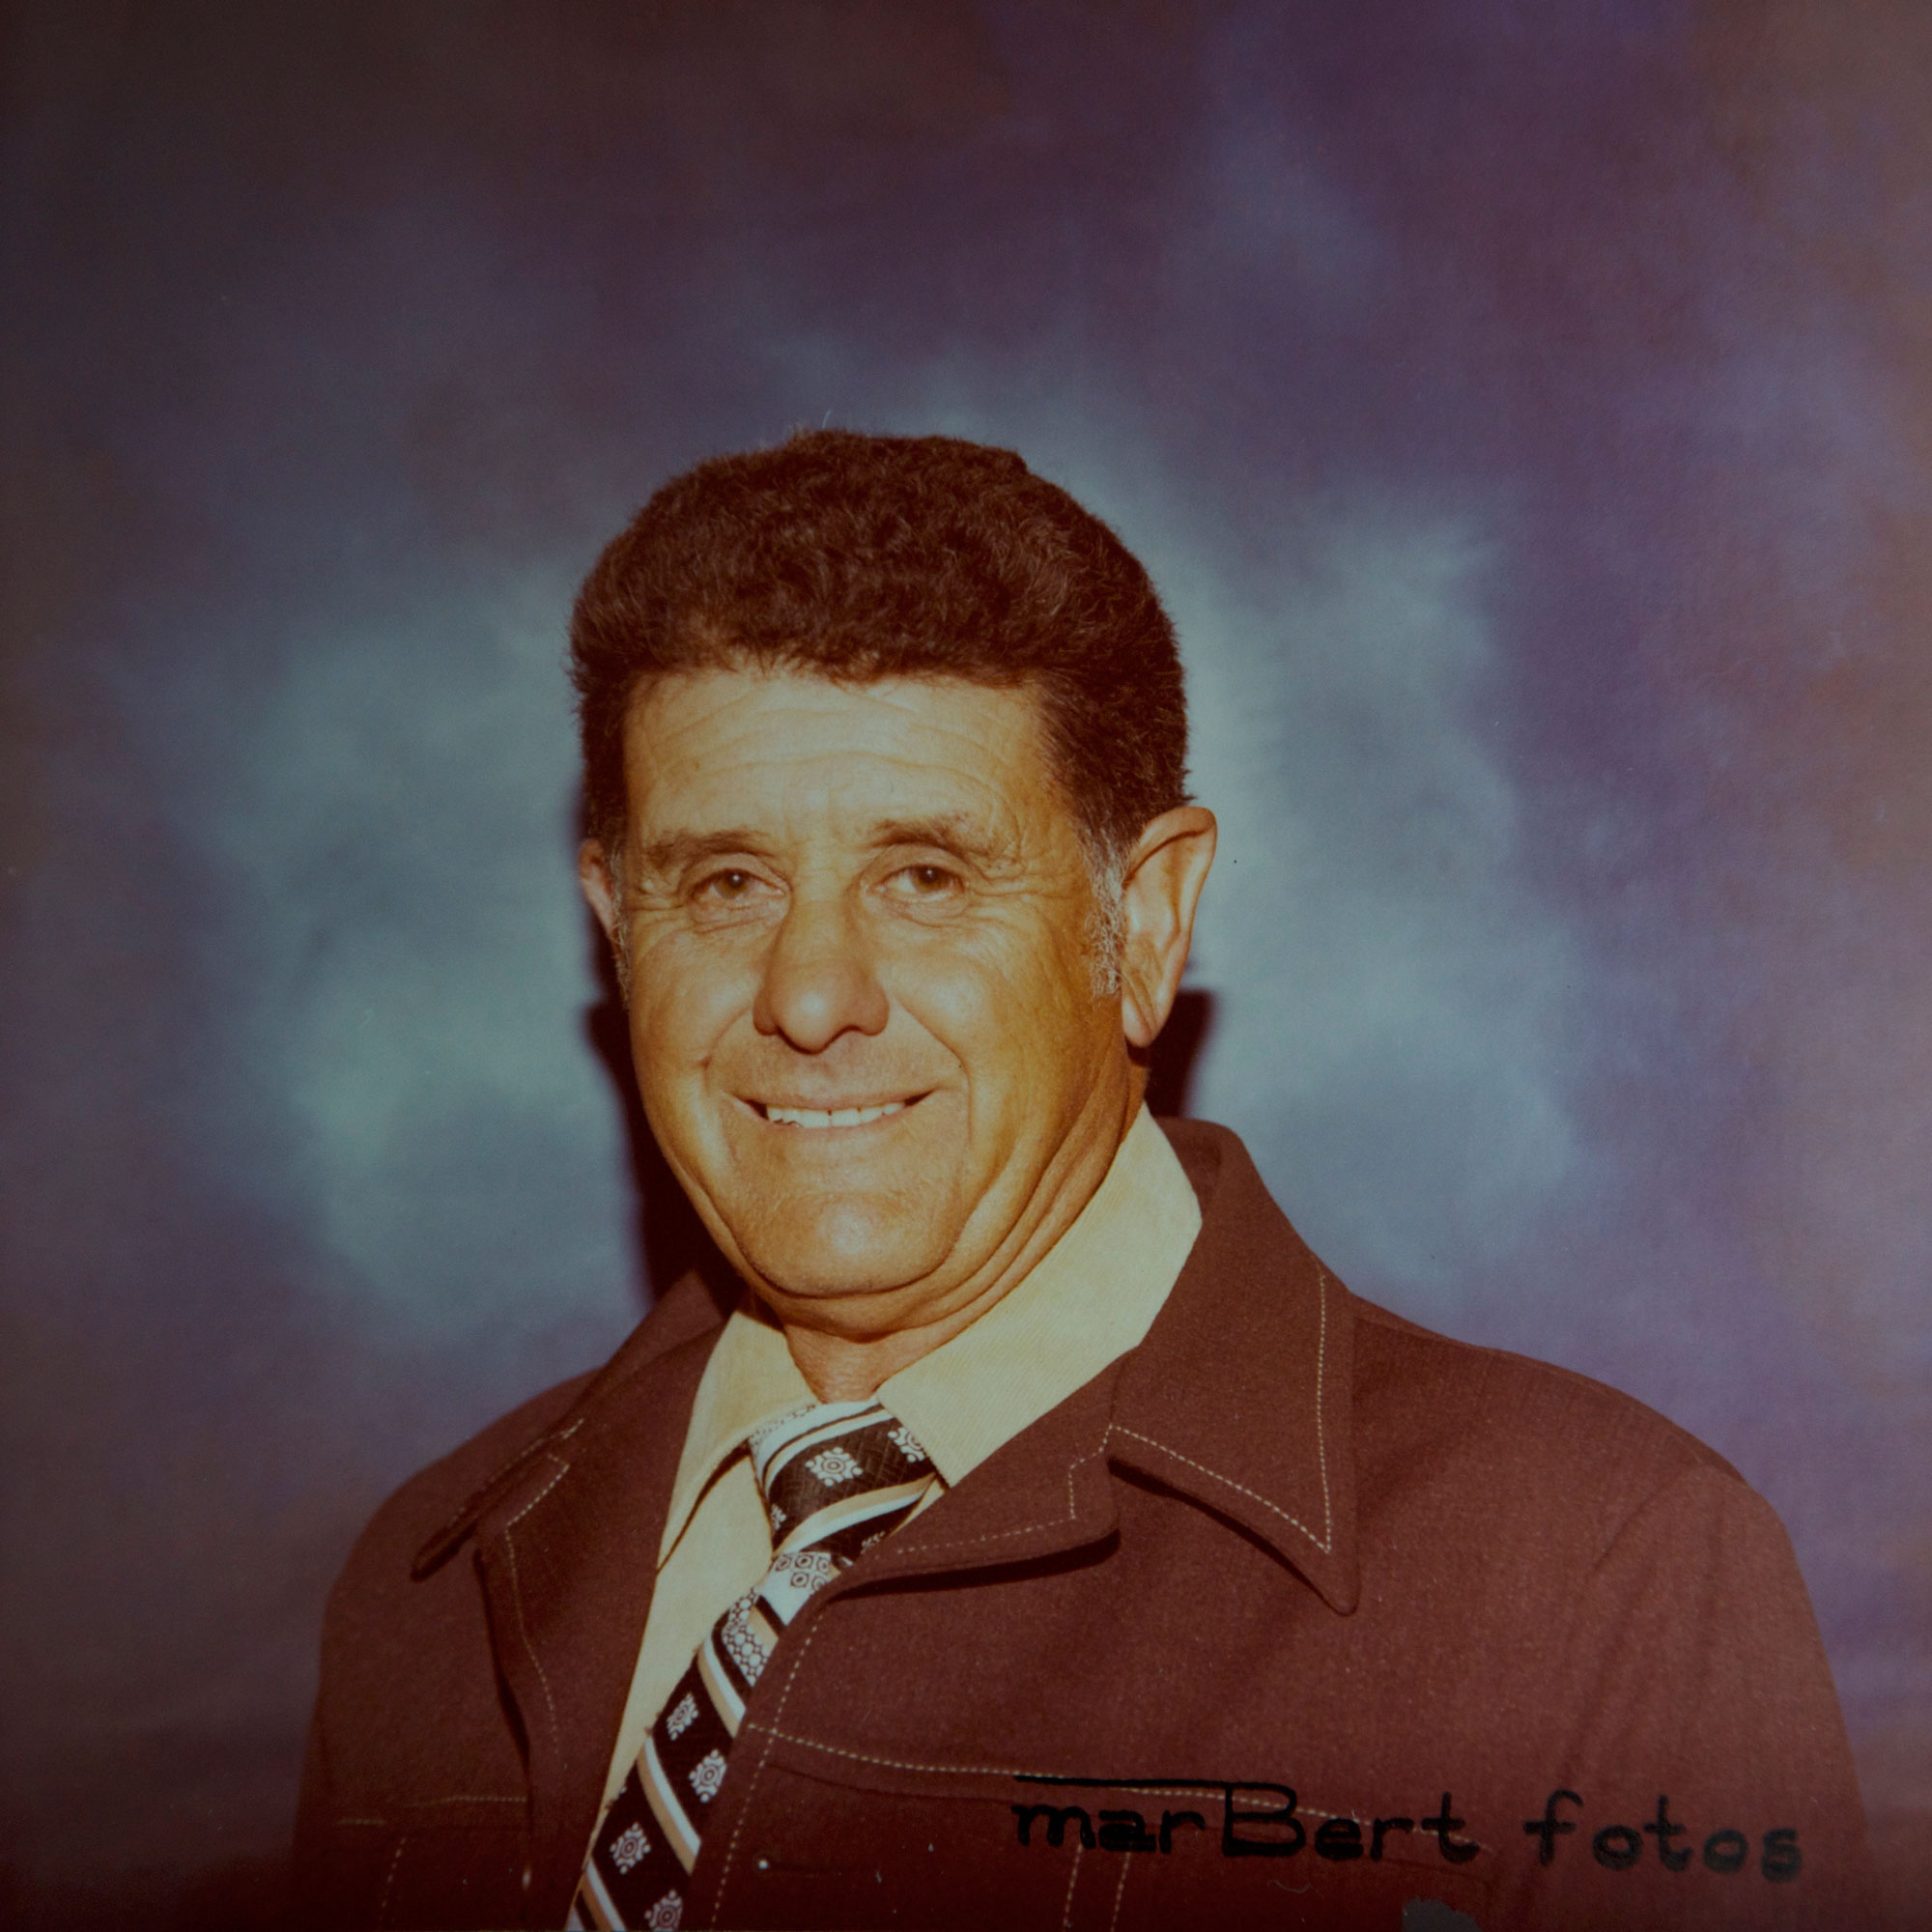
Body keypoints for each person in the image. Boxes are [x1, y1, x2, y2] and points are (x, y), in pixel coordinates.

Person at [294, 432, 1878, 1931]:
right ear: (617, 928)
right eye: (726, 883)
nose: (811, 995)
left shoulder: (1591, 1577)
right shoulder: (431, 1587)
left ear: (1149, 923)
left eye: (926, 876)